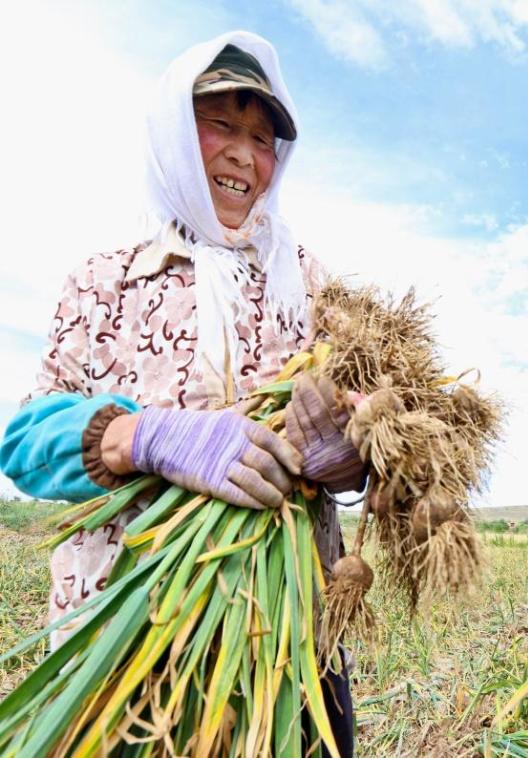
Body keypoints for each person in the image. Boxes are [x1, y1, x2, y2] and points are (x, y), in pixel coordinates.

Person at [0, 31, 361, 757]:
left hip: (286, 649)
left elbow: (374, 436)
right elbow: (23, 443)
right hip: (125, 650)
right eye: (221, 125)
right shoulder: (107, 281)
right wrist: (146, 437)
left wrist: (350, 456)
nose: (242, 154)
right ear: (171, 131)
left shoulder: (317, 290)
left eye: (262, 138)